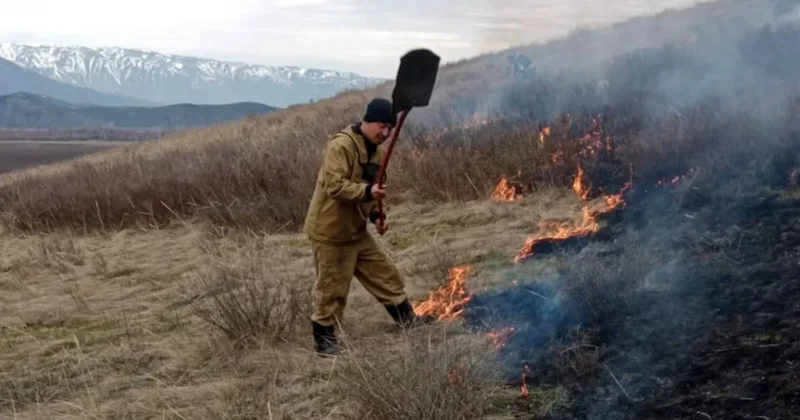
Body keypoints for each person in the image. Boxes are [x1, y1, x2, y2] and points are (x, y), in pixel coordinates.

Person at [303, 97, 434, 356]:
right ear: (368, 120)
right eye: (381, 127)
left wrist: (376, 216)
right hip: (331, 231)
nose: (385, 134)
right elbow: (335, 186)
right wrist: (367, 192)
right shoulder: (341, 145)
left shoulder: (378, 153)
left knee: (385, 275)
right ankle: (325, 343)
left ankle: (407, 320)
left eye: (389, 129)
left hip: (356, 231)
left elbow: (374, 191)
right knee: (332, 287)